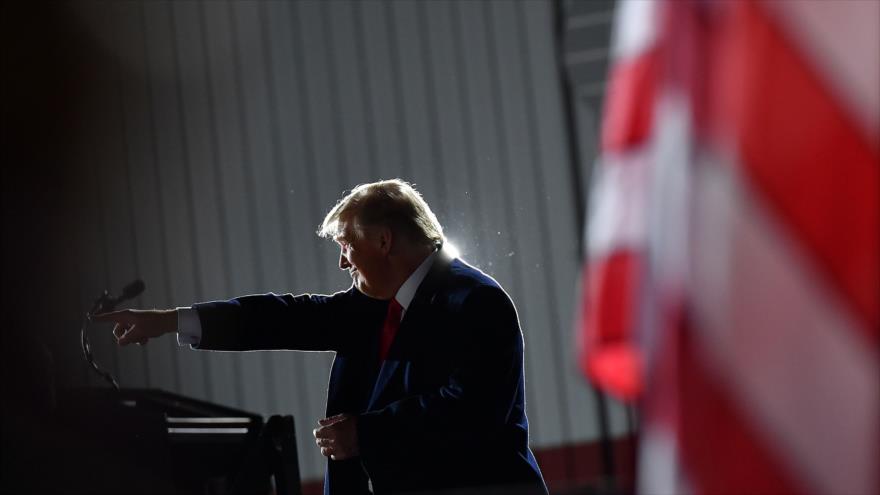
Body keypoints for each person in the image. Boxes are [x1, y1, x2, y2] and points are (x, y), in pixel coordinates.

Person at [96, 179, 548, 495]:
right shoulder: (373, 305)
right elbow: (282, 316)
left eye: (346, 245)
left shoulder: (476, 303)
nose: (342, 263)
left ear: (384, 241)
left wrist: (366, 434)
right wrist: (172, 320)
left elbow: (473, 410)